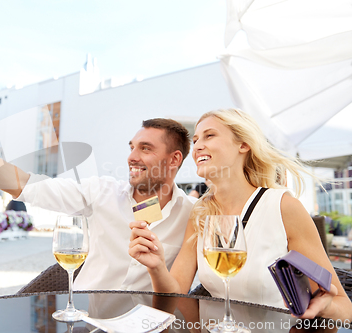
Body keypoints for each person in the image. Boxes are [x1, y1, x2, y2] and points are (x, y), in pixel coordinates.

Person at [0, 72, 195, 291]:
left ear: (173, 160)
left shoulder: (193, 215)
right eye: (131, 146)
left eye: (145, 148)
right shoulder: (100, 192)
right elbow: (20, 184)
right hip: (84, 320)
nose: (131, 156)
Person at [129, 108, 352, 321]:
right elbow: (175, 293)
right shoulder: (201, 212)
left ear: (243, 144)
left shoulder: (282, 206)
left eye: (209, 136)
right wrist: (156, 266)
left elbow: (346, 308)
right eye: (195, 140)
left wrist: (327, 306)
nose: (197, 146)